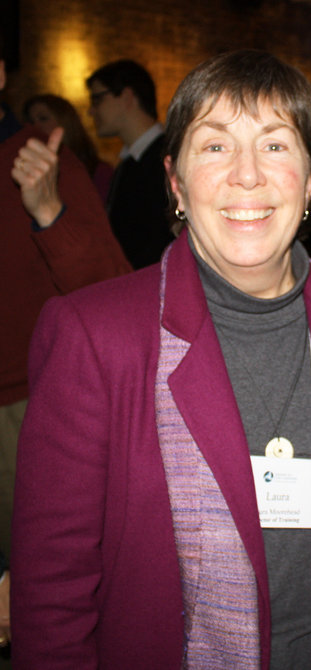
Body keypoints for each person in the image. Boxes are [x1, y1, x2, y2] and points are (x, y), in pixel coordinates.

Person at [12, 49, 311, 670]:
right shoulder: (93, 335)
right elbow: (52, 594)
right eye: (215, 146)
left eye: (275, 146)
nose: (246, 175)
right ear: (175, 180)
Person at [0, 32, 130, 597]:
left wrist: (48, 208)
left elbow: (112, 295)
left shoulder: (39, 154)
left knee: (38, 592)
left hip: (19, 405)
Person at [87, 59, 173, 268]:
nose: (91, 111)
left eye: (97, 99)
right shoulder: (130, 161)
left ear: (126, 97)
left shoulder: (168, 159)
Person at [23, 93, 115, 201]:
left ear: (65, 122)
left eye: (43, 119)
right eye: (31, 122)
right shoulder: (30, 172)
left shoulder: (98, 172)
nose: (36, 127)